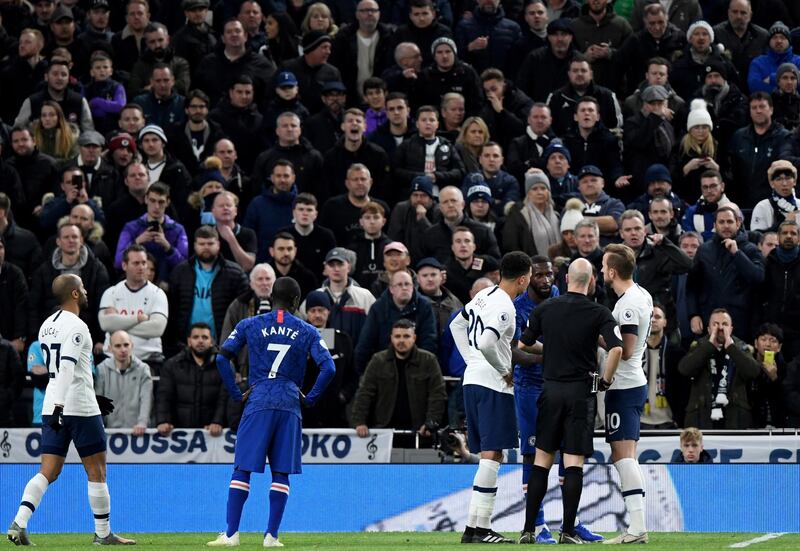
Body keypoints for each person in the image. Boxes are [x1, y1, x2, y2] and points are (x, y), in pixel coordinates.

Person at [7, 274, 134, 546]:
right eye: (83, 288)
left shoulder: (45, 327)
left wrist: (63, 405)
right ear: (75, 294)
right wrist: (72, 403)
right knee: (97, 472)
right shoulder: (78, 327)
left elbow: (64, 372)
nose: (87, 291)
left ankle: (19, 521)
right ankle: (103, 534)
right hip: (77, 408)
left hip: (54, 403)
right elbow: (66, 367)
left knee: (48, 471)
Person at [210, 277, 335, 547]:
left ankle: (231, 535)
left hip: (259, 399)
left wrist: (234, 392)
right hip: (289, 402)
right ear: (295, 301)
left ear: (272, 297)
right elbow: (329, 368)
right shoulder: (308, 330)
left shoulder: (250, 324)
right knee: (281, 472)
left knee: (242, 468)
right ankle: (271, 536)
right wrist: (310, 398)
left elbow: (221, 357)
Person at [517, 258, 623, 544]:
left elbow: (523, 344)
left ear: (565, 280)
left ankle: (528, 530)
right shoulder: (598, 312)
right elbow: (616, 349)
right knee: (573, 463)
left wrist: (551, 350)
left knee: (541, 461)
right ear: (590, 282)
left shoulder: (544, 308)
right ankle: (567, 530)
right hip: (580, 393)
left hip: (549, 392)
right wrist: (606, 380)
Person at [450, 251, 533, 544]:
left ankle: (474, 529)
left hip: (473, 379)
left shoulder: (485, 295)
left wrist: (470, 360)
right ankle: (481, 528)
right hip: (492, 384)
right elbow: (487, 342)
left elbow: (455, 325)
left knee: (491, 453)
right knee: (493, 454)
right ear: (524, 278)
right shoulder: (505, 307)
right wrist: (503, 369)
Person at [600, 244, 654, 544]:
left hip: (624, 384)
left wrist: (592, 335)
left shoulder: (628, 304)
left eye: (604, 265)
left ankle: (637, 527)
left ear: (613, 270)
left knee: (623, 456)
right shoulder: (641, 294)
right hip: (633, 383)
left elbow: (628, 348)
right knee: (625, 454)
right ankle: (637, 525)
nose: (601, 270)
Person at [510, 255, 561, 544]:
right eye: (539, 275)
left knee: (567, 451)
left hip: (557, 385)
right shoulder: (517, 307)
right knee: (531, 454)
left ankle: (572, 523)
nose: (546, 281)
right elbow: (515, 352)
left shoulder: (556, 297)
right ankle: (537, 524)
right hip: (529, 388)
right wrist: (552, 353)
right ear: (528, 277)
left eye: (549, 275)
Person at [350, 318, 447, 442]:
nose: (401, 340)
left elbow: (437, 395)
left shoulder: (428, 360)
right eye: (397, 336)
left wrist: (431, 422)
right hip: (383, 431)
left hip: (419, 431)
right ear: (391, 338)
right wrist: (359, 422)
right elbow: (364, 393)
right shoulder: (378, 360)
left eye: (406, 336)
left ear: (414, 338)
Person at [678, 308, 760, 428]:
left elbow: (754, 371)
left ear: (731, 329)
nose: (720, 328)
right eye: (715, 324)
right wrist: (709, 347)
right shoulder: (699, 346)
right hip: (702, 417)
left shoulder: (741, 347)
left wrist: (731, 348)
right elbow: (684, 369)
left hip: (734, 417)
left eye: (725, 324)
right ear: (708, 329)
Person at [98, 244, 168, 371]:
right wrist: (138, 318)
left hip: (149, 360)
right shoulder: (111, 293)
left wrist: (118, 325)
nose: (141, 267)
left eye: (144, 263)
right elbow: (105, 324)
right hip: (112, 360)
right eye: (136, 263)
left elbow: (157, 329)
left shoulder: (158, 294)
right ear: (124, 266)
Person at [156, 322, 227, 434]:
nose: (200, 341)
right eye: (196, 337)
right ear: (189, 341)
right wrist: (163, 421)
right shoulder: (172, 365)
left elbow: (224, 399)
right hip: (178, 434)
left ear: (212, 342)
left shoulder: (224, 366)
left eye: (205, 337)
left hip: (213, 434)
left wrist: (218, 421)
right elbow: (164, 396)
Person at [94, 330, 152, 434]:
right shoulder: (101, 369)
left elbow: (146, 399)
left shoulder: (143, 369)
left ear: (132, 346)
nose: (123, 349)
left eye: (126, 345)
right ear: (110, 349)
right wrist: (99, 426)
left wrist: (142, 423)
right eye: (118, 346)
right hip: (108, 432)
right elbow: (98, 401)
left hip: (137, 431)